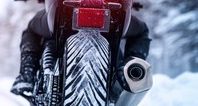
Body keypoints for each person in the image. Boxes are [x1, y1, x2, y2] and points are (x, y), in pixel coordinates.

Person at [10, 9, 151, 95]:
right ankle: (128, 73)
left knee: (32, 29)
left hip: (66, 9)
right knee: (141, 31)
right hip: (112, 11)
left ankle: (27, 74)